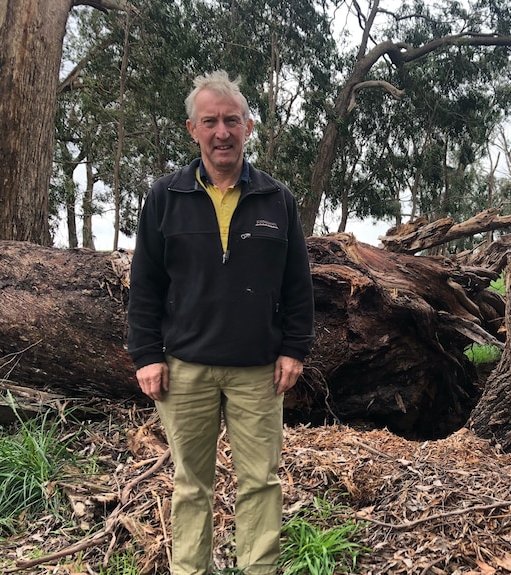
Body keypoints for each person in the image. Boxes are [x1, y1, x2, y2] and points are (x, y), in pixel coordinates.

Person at [126, 70, 315, 575]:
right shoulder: (165, 198)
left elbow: (299, 284)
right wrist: (145, 355)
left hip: (258, 371)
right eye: (210, 121)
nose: (222, 132)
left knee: (261, 482)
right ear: (193, 129)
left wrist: (295, 349)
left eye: (232, 120)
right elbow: (145, 284)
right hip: (184, 368)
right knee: (191, 485)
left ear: (249, 127)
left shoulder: (277, 200)